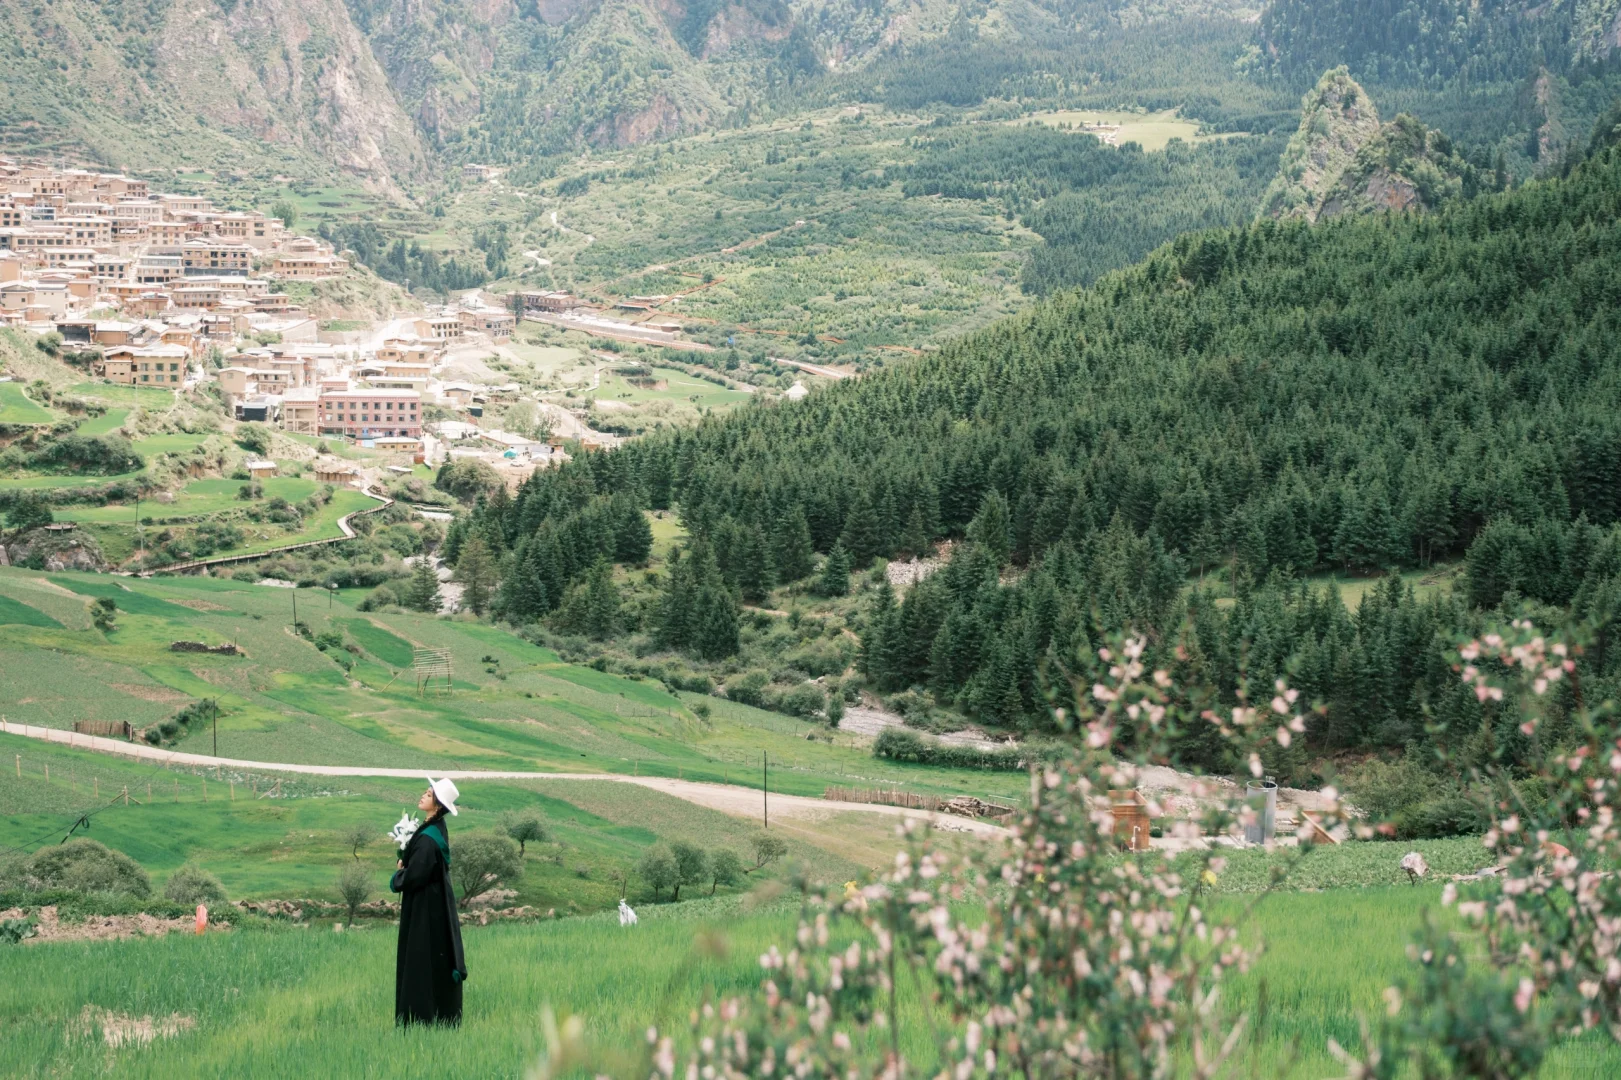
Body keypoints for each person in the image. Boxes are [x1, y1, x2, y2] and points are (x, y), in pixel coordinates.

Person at [392, 776, 467, 1026]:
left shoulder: (428, 839)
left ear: (437, 805)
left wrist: (398, 876)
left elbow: (418, 874)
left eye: (428, 793)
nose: (423, 795)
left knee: (421, 957)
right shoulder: (433, 830)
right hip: (432, 904)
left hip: (425, 909)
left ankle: (419, 1019)